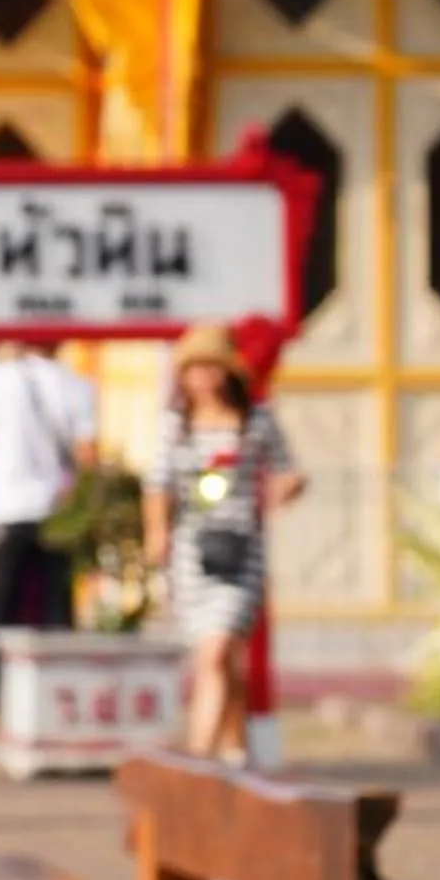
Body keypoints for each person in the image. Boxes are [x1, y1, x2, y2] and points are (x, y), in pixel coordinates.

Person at [146, 322, 305, 762]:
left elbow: (289, 469)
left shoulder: (256, 421)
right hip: (192, 552)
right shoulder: (176, 426)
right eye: (193, 369)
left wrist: (285, 488)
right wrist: (156, 532)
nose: (202, 378)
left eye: (209, 367)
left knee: (217, 649)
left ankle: (199, 754)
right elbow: (157, 483)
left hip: (240, 548)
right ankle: (234, 744)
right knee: (217, 656)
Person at [0, 338, 98, 719]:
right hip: (58, 509)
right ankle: (60, 701)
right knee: (57, 608)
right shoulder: (76, 384)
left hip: (8, 506)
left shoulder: (0, 378)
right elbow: (88, 452)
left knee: (0, 607)